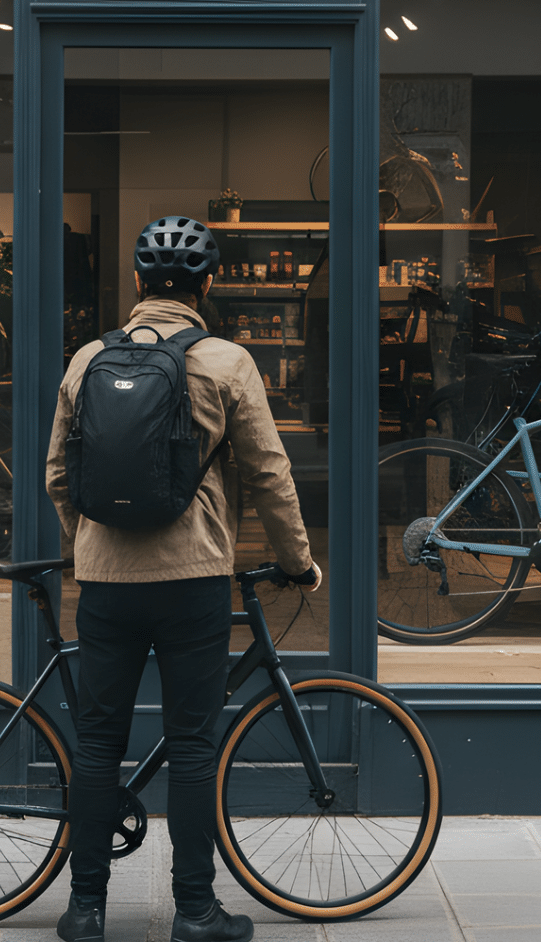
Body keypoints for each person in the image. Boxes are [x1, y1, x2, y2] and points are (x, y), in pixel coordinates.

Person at [45, 216, 320, 942]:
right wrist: (297, 561)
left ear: (137, 284)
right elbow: (269, 473)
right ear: (207, 285)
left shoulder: (85, 361)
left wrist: (89, 551)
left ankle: (84, 911)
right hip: (194, 580)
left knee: (98, 744)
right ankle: (195, 911)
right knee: (193, 745)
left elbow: (55, 477)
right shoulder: (228, 362)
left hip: (106, 586)